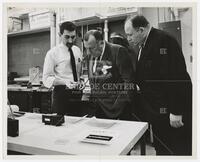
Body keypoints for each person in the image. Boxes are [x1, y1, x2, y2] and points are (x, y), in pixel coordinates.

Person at [124, 15, 192, 155]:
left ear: (141, 30)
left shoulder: (163, 40)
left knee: (174, 150)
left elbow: (177, 76)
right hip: (157, 112)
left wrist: (176, 111)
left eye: (130, 34)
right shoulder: (144, 45)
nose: (128, 38)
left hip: (170, 113)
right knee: (162, 149)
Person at [83, 30, 135, 120]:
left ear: (101, 43)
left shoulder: (118, 51)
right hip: (98, 110)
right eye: (86, 48)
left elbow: (129, 83)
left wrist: (118, 106)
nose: (88, 52)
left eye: (91, 48)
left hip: (118, 111)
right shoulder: (89, 56)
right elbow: (93, 82)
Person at [42, 21, 83, 116]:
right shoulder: (52, 53)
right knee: (60, 125)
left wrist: (80, 80)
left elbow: (77, 70)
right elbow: (46, 79)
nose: (70, 41)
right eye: (67, 37)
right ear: (60, 35)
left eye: (73, 37)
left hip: (76, 94)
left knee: (76, 124)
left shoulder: (77, 50)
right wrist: (66, 82)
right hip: (61, 95)